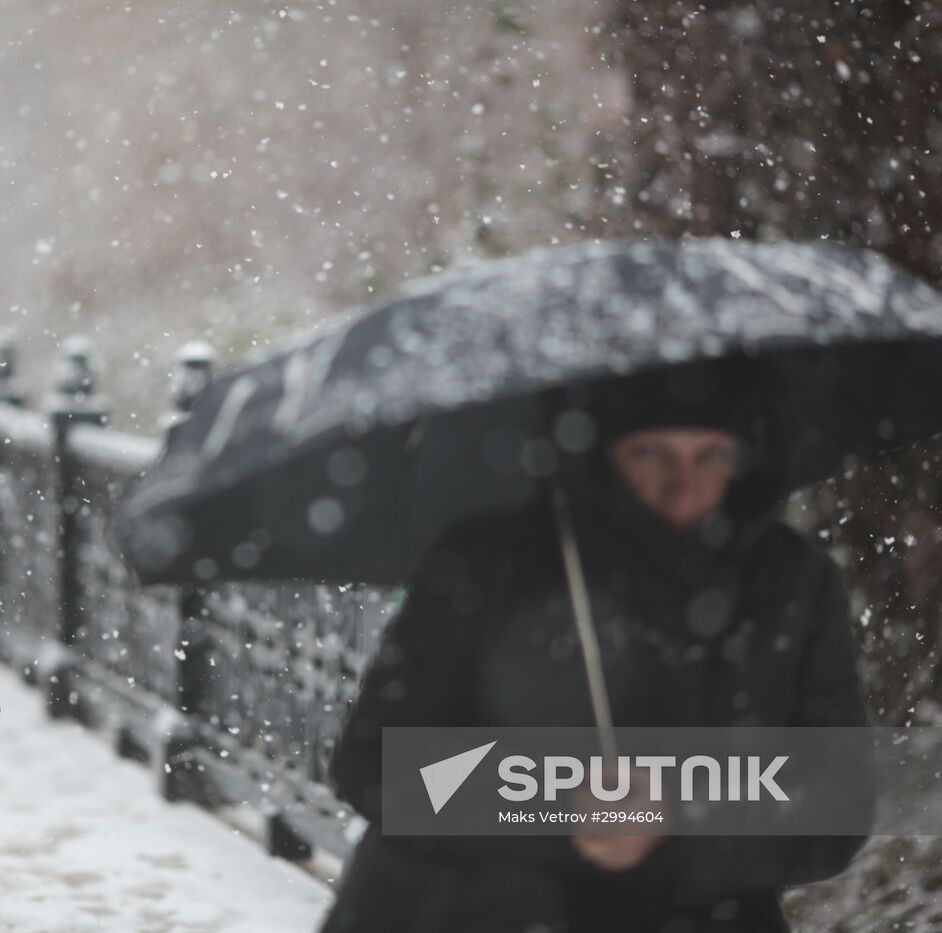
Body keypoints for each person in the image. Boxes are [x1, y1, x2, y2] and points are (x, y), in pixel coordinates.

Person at [318, 371, 873, 933]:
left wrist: (678, 820)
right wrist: (556, 800)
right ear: (602, 453)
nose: (684, 486)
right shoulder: (490, 564)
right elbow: (376, 765)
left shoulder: (791, 585)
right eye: (652, 454)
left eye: (711, 455)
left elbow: (833, 801)